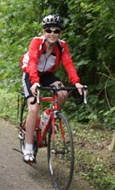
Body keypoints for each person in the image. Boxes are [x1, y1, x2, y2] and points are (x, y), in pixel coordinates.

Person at [20, 14, 84, 164]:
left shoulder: (62, 46)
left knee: (62, 93)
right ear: (43, 32)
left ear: (60, 33)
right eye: (49, 30)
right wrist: (35, 82)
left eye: (56, 31)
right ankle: (29, 147)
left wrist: (76, 83)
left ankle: (47, 116)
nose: (52, 34)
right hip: (31, 74)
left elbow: (68, 64)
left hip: (47, 74)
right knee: (34, 108)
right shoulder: (36, 42)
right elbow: (33, 62)